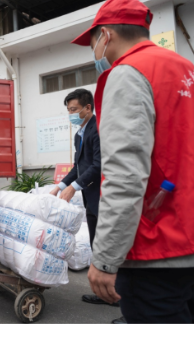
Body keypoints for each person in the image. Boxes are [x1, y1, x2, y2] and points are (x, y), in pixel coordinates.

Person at [72, 0, 194, 325]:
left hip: (157, 246)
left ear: (106, 35)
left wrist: (106, 259)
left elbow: (125, 175)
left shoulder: (128, 73)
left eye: (92, 41)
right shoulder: (186, 68)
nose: (95, 50)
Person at [50, 89, 111, 308]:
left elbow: (98, 165)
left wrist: (74, 187)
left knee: (108, 245)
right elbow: (79, 166)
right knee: (97, 243)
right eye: (68, 110)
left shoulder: (98, 130)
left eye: (74, 110)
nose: (71, 114)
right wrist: (60, 186)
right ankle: (105, 293)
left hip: (104, 195)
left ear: (88, 108)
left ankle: (122, 297)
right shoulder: (79, 134)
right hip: (91, 196)